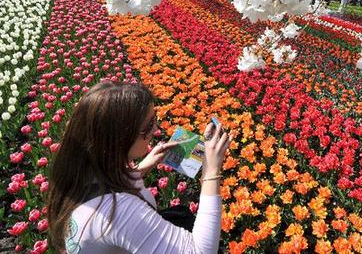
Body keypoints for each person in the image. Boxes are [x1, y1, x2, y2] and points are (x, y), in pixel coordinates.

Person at [47, 82, 231, 253]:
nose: (156, 129)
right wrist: (211, 171)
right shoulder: (116, 212)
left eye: (155, 119)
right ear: (118, 138)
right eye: (148, 125)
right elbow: (201, 251)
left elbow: (108, 187)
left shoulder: (78, 170)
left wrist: (142, 168)